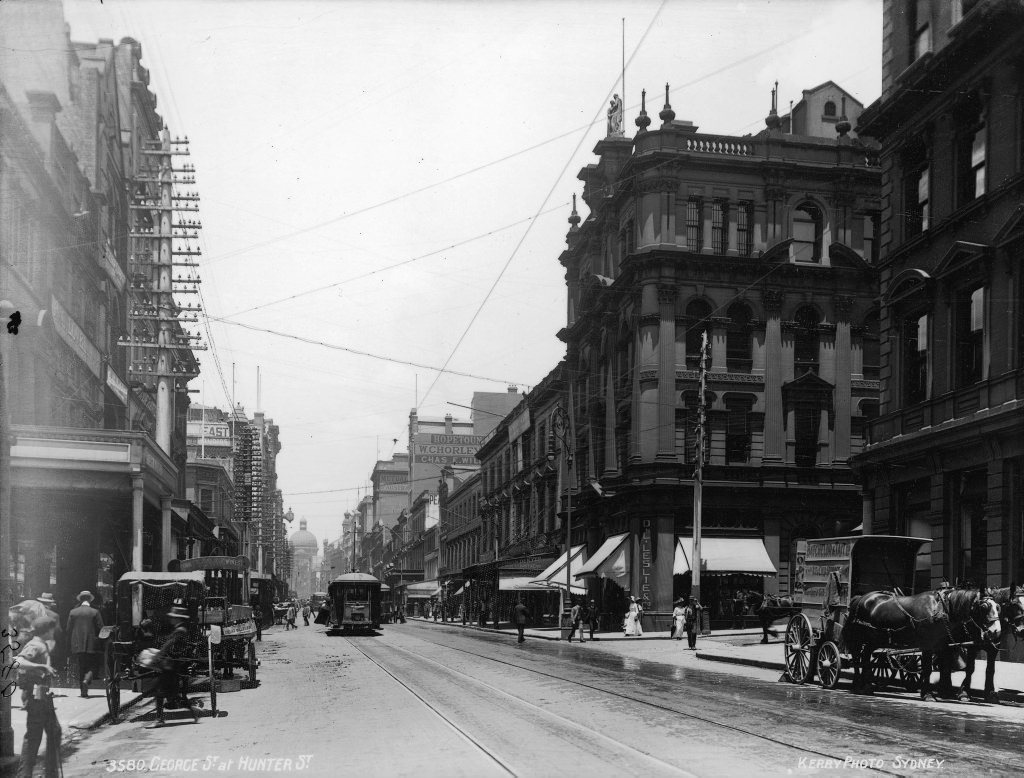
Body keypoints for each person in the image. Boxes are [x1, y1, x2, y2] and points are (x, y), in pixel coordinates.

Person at [15, 615, 61, 778]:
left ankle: (51, 773)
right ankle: (25, 775)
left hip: (42, 696)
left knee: (54, 731)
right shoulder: (36, 645)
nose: (54, 632)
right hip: (35, 697)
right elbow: (18, 662)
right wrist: (41, 665)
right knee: (34, 737)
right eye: (52, 629)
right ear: (47, 630)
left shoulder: (41, 644)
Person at [147, 601, 200, 726]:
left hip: (171, 665)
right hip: (171, 664)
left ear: (177, 619)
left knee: (160, 692)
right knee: (172, 694)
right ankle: (193, 713)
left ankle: (159, 719)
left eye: (173, 617)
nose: (171, 619)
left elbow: (168, 645)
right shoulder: (179, 629)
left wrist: (157, 655)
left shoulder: (180, 630)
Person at [66, 590, 104, 698]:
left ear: (81, 600)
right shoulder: (95, 612)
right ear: (90, 600)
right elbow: (101, 628)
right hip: (91, 644)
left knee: (81, 666)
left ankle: (83, 692)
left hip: (77, 644)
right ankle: (87, 680)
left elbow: (68, 629)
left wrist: (69, 644)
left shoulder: (73, 612)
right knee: (93, 666)